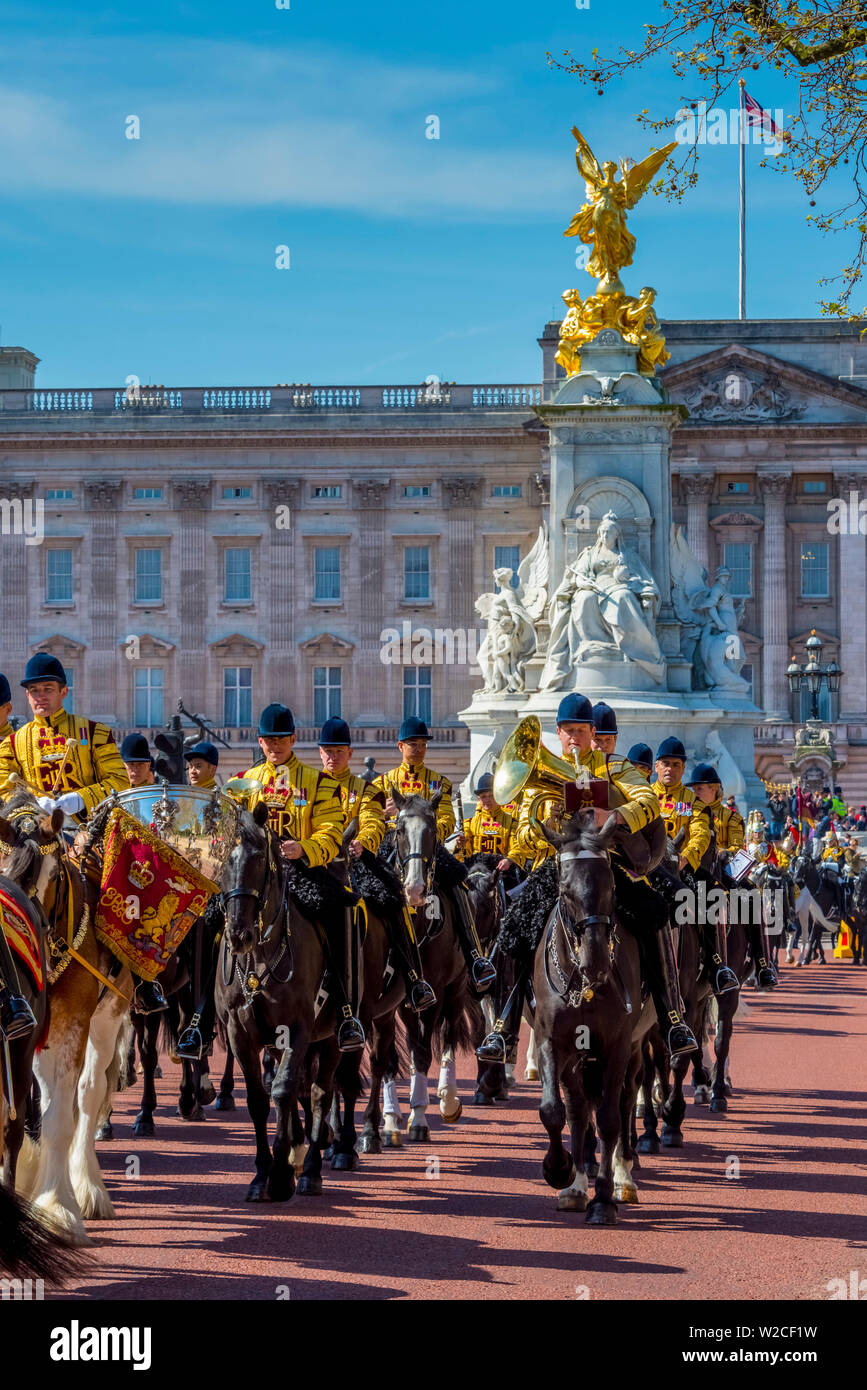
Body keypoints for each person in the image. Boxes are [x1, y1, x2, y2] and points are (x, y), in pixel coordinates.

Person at [480, 696, 697, 1062]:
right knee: (516, 925)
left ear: (592, 732)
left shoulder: (617, 769)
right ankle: (504, 1027)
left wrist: (609, 815)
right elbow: (522, 837)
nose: (575, 739)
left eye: (582, 731)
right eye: (568, 732)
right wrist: (546, 825)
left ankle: (672, 1017)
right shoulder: (537, 781)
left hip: (607, 865)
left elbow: (649, 803)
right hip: (559, 868)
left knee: (654, 916)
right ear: (558, 734)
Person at [242, 703, 363, 1051]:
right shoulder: (244, 783)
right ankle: (203, 1016)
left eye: (282, 739)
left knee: (341, 913)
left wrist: (303, 848)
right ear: (260, 742)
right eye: (269, 740)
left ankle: (345, 1011)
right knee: (214, 916)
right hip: (257, 876)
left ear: (294, 739)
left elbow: (330, 832)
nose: (275, 746)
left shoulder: (319, 783)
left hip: (304, 873)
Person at [317, 716, 434, 1014]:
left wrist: (363, 843)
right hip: (317, 865)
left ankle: (413, 977)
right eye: (328, 751)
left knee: (392, 899)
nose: (333, 757)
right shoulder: (309, 786)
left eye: (339, 751)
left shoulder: (365, 789)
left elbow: (371, 821)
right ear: (320, 753)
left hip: (356, 864)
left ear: (350, 754)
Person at [375, 718, 495, 991]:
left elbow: (446, 820)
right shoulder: (383, 783)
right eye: (412, 745)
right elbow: (369, 818)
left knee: (459, 884)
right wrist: (384, 814)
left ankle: (475, 956)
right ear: (400, 746)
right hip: (392, 847)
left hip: (429, 850)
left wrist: (429, 828)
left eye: (422, 745)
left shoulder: (439, 784)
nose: (417, 750)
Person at [686, 763, 741, 995]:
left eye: (700, 789)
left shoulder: (730, 817)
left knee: (752, 899)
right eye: (694, 789)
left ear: (715, 789)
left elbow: (738, 846)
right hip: (691, 867)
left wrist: (724, 851)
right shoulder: (686, 809)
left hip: (721, 871)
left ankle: (761, 962)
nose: (695, 793)